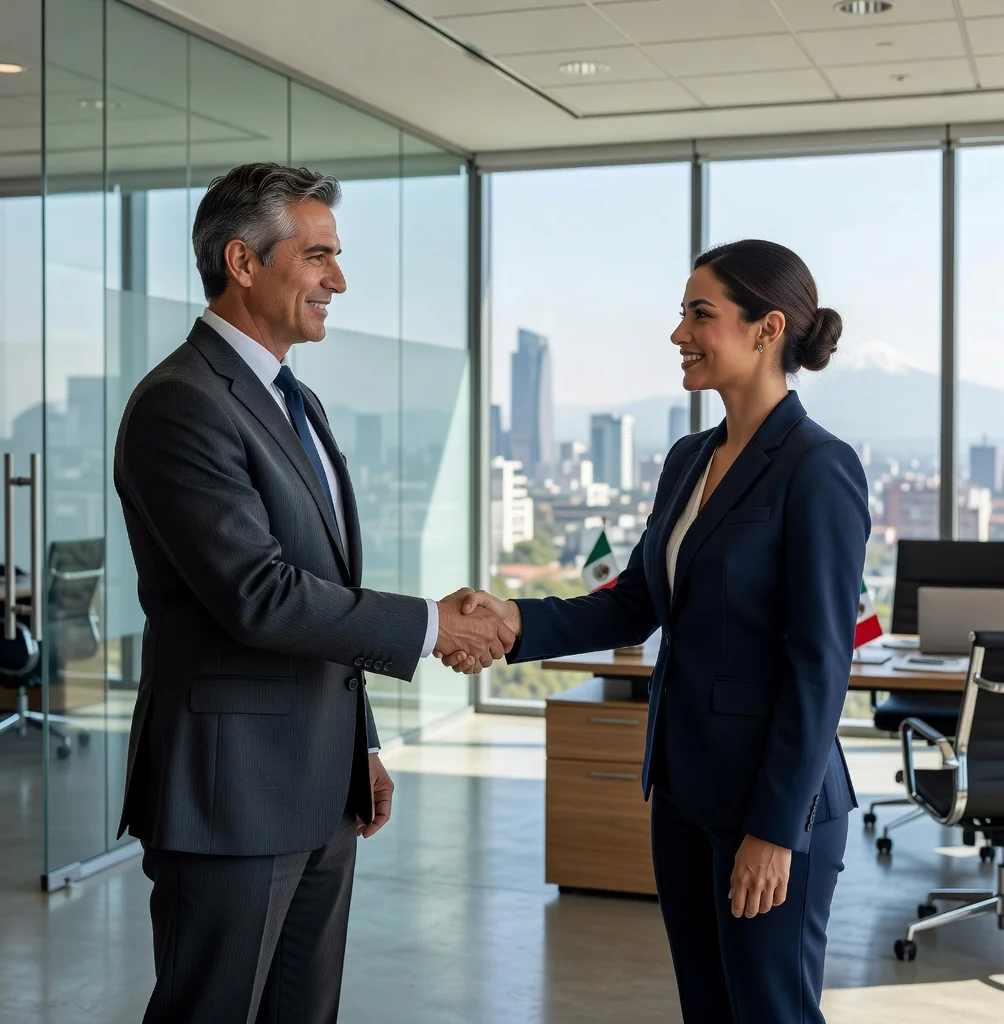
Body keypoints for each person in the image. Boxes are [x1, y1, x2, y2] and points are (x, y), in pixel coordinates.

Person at [114, 162, 514, 1024]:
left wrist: (357, 744)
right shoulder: (181, 404)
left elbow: (324, 588)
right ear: (244, 262)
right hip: (231, 795)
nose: (339, 279)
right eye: (319, 255)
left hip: (317, 785)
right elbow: (257, 592)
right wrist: (429, 624)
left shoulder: (298, 401)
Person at [443, 240, 870, 1024]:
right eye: (682, 313)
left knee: (769, 1011)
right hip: (681, 787)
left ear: (768, 328)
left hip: (773, 806)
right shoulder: (689, 458)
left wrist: (774, 831)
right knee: (707, 1009)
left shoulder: (818, 466)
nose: (679, 334)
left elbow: (820, 666)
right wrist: (514, 623)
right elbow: (635, 599)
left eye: (700, 315)